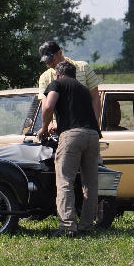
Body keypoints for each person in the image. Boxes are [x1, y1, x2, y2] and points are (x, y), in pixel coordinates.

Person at [36, 61, 101, 238]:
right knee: (90, 183)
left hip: (72, 136)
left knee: (65, 181)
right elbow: (77, 113)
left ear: (58, 75)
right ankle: (87, 225)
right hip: (93, 135)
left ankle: (67, 226)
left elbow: (49, 105)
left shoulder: (57, 83)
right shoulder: (82, 89)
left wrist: (44, 127)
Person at [37, 40, 101, 128]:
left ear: (60, 53)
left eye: (51, 60)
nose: (50, 64)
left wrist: (95, 122)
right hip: (59, 127)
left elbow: (95, 97)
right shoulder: (45, 77)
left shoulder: (83, 67)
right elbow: (46, 105)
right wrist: (49, 125)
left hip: (85, 125)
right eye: (47, 62)